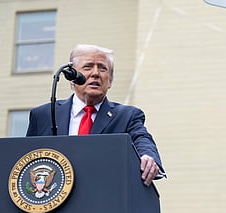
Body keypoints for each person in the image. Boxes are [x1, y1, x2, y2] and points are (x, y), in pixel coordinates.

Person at [26, 44, 164, 186]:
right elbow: (26, 161)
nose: (96, 73)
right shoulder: (43, 115)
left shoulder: (127, 116)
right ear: (71, 77)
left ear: (110, 80)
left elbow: (142, 139)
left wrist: (148, 157)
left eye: (103, 68)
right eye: (88, 67)